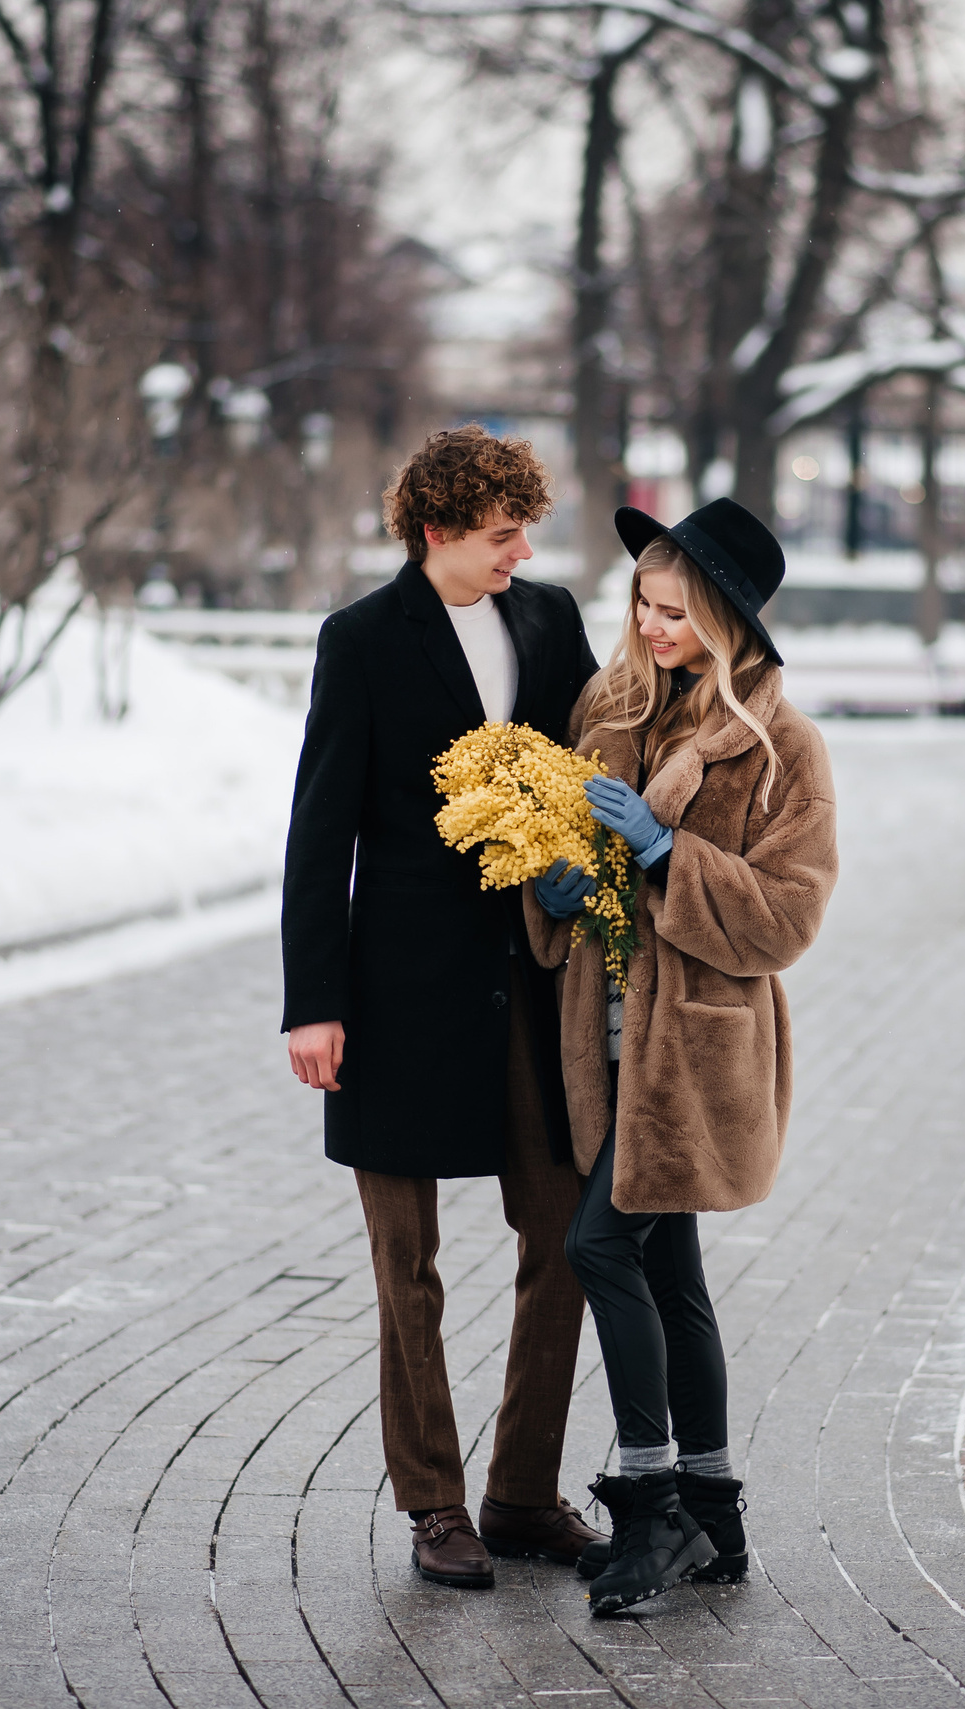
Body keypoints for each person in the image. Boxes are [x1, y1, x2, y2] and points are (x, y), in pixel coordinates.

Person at [281, 425, 607, 1588]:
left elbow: (595, 760)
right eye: (502, 534)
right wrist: (313, 1002)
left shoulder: (550, 619)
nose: (522, 553)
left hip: (534, 978)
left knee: (565, 1235)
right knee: (404, 1262)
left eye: (526, 531)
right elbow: (321, 827)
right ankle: (434, 1502)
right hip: (397, 989)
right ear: (437, 530)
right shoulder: (363, 639)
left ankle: (520, 1492)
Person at [522, 498, 838, 1616]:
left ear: (727, 619)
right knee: (670, 1272)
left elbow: (788, 917)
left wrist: (666, 854)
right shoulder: (606, 709)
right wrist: (553, 888)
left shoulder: (781, 745)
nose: (651, 628)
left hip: (696, 1051)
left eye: (674, 612)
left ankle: (650, 1503)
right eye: (644, 605)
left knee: (598, 1244)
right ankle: (713, 1512)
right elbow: (553, 861)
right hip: (605, 1036)